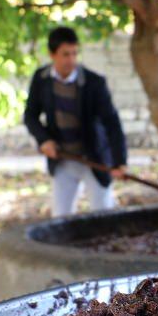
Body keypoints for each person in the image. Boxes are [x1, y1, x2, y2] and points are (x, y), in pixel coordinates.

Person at [24, 26, 128, 217]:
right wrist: (44, 140)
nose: (71, 60)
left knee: (103, 216)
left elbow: (111, 122)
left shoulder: (94, 83)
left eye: (74, 53)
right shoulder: (42, 79)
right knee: (60, 218)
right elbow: (30, 116)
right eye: (65, 54)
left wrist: (119, 161)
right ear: (52, 54)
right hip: (63, 159)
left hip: (94, 159)